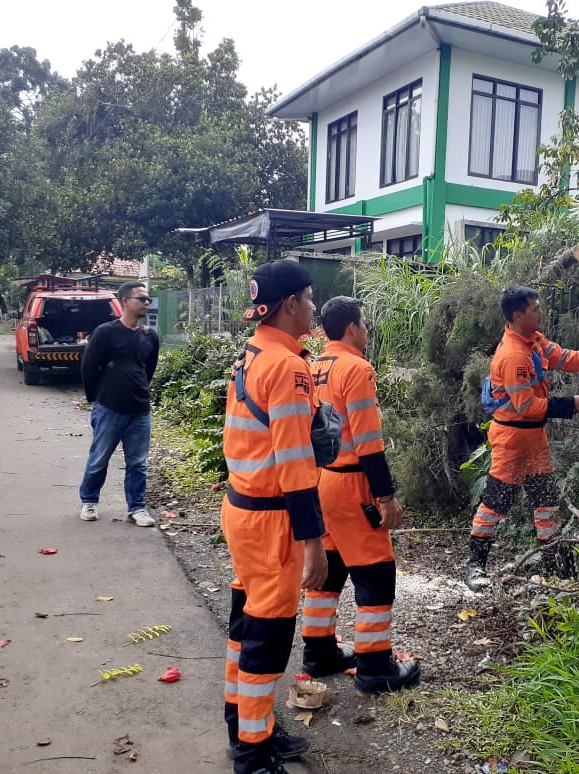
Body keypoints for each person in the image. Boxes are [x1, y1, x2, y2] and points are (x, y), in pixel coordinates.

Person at [221, 259, 327, 774]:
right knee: (268, 638)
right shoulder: (287, 366)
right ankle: (253, 754)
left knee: (244, 624)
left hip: (241, 509)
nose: (312, 308)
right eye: (308, 300)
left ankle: (243, 724)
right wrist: (313, 541)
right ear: (290, 305)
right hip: (271, 522)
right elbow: (294, 462)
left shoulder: (254, 352)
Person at [466, 286, 579, 592]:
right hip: (512, 439)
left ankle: (554, 568)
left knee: (546, 503)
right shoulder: (513, 355)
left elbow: (564, 357)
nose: (541, 313)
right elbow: (525, 406)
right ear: (518, 316)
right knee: (496, 502)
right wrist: (570, 404)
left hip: (534, 437)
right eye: (536, 309)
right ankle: (476, 566)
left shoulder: (533, 341)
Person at [299, 296, 421, 693]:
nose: (366, 331)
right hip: (352, 485)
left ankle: (318, 653)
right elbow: (368, 441)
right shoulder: (358, 368)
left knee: (330, 568)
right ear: (352, 328)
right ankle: (374, 665)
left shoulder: (313, 366)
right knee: (375, 572)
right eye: (364, 324)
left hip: (320, 481)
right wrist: (385, 497)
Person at [78, 281, 159, 527]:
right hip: (109, 408)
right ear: (125, 301)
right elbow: (89, 367)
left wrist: (140, 389)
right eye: (141, 299)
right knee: (99, 458)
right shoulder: (106, 332)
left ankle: (136, 508)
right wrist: (96, 398)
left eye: (148, 299)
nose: (147, 303)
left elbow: (149, 369)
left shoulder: (150, 336)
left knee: (138, 463)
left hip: (140, 411)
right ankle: (89, 500)